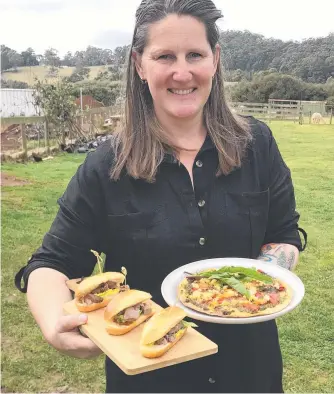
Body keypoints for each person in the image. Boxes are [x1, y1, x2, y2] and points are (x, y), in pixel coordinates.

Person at [15, 0, 307, 392]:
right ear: (139, 64)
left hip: (251, 372)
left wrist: (255, 291)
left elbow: (284, 234)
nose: (181, 72)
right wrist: (54, 324)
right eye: (164, 56)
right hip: (150, 377)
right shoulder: (106, 167)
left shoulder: (258, 145)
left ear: (215, 59)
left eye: (195, 55)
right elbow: (50, 263)